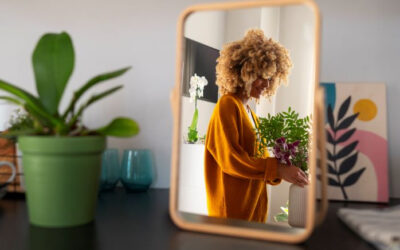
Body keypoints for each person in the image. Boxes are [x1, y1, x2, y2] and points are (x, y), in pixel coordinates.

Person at [204, 28, 309, 223]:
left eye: (270, 78)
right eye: (261, 76)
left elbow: (258, 161)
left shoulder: (252, 115)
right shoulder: (227, 105)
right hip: (231, 213)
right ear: (243, 72)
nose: (267, 85)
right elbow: (231, 161)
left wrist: (287, 167)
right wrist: (278, 169)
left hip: (254, 211)